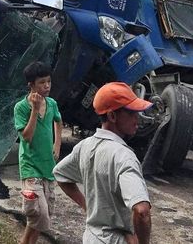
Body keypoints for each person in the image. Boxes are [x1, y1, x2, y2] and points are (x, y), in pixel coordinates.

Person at [53, 82, 152, 244]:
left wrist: (87, 207)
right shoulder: (124, 156)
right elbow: (141, 211)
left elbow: (60, 174)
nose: (137, 119)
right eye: (131, 114)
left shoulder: (85, 146)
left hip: (92, 237)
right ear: (112, 116)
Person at [13, 61, 63, 244]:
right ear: (31, 85)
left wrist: (57, 144)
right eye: (42, 82)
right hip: (30, 166)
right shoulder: (21, 107)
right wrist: (34, 110)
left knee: (44, 214)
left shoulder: (52, 104)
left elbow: (59, 122)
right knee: (38, 213)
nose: (47, 86)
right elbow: (26, 137)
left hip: (48, 166)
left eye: (49, 81)